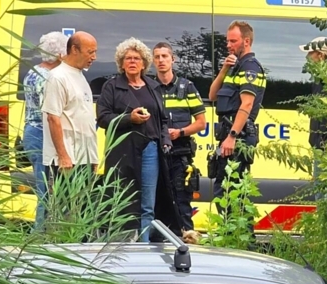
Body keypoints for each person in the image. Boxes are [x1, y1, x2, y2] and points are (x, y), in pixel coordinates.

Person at [96, 38, 181, 241]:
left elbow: (161, 119)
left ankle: (144, 247)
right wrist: (129, 119)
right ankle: (122, 248)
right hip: (123, 153)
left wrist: (165, 138)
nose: (132, 62)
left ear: (144, 63)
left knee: (147, 203)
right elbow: (103, 117)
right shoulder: (112, 86)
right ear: (121, 63)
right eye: (128, 58)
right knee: (123, 201)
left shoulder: (152, 86)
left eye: (136, 58)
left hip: (151, 149)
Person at [42, 31, 99, 226]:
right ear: (74, 49)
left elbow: (83, 118)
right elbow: (53, 117)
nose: (94, 57)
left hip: (83, 157)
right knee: (64, 212)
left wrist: (93, 157)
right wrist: (63, 156)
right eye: (90, 52)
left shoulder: (80, 76)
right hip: (66, 161)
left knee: (81, 211)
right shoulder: (57, 77)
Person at [207, 21, 265, 213]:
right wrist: (223, 69)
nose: (228, 45)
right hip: (229, 134)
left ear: (246, 41)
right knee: (227, 192)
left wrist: (232, 136)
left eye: (233, 41)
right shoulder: (234, 66)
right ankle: (237, 240)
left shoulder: (250, 68)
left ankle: (238, 242)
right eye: (228, 41)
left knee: (229, 193)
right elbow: (212, 95)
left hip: (237, 136)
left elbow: (246, 104)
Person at [151, 42, 207, 232]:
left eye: (164, 56)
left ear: (172, 59)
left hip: (179, 155)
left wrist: (179, 133)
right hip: (156, 155)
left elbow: (201, 123)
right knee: (156, 203)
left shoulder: (187, 87)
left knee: (182, 202)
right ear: (152, 61)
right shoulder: (149, 88)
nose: (161, 60)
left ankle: (187, 248)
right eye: (157, 57)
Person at [22, 31, 67, 232]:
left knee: (43, 186)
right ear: (59, 55)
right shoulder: (49, 78)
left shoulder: (32, 72)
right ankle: (39, 235)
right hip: (43, 134)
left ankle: (43, 232)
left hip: (31, 131)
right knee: (47, 189)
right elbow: (50, 112)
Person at [299, 36, 327, 150]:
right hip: (320, 146)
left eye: (311, 53)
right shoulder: (320, 79)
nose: (307, 57)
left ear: (321, 55)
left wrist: (321, 142)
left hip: (325, 148)